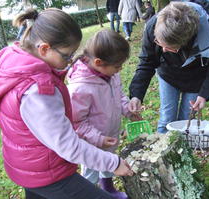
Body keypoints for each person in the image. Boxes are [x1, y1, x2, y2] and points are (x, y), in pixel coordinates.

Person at [0, 8, 133, 199]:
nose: (69, 62)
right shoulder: (37, 91)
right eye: (66, 55)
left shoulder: (16, 60)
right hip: (46, 172)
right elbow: (68, 145)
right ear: (44, 49)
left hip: (25, 166)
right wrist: (113, 163)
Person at [128, 2, 209, 133]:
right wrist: (136, 95)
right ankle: (162, 151)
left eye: (171, 48)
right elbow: (147, 62)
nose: (164, 50)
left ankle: (182, 151)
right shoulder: (152, 26)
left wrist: (205, 93)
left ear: (186, 42)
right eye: (159, 43)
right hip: (168, 74)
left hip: (196, 78)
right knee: (166, 119)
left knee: (186, 122)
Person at [67, 29, 141, 199]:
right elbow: (76, 122)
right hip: (91, 144)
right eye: (117, 66)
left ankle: (108, 188)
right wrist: (98, 138)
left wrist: (127, 109)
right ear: (99, 62)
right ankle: (91, 193)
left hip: (110, 134)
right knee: (91, 171)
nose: (120, 69)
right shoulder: (80, 88)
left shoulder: (111, 75)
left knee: (110, 162)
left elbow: (119, 95)